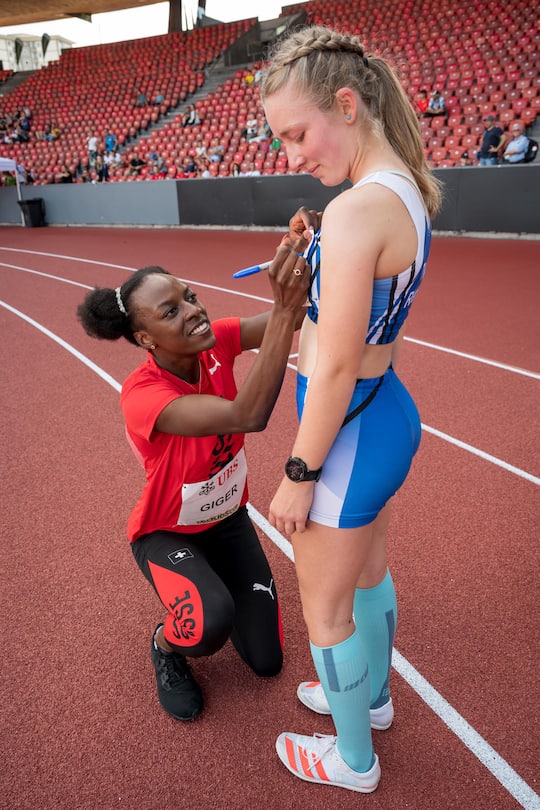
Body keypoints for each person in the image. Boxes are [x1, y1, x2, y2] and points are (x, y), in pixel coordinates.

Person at [261, 25, 442, 793]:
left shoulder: (356, 211)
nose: (292, 156)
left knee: (323, 609)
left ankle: (353, 762)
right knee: (369, 574)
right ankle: (370, 700)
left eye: (297, 134)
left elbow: (331, 364)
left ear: (346, 103)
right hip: (385, 416)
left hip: (347, 427)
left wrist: (301, 469)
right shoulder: (401, 186)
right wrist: (321, 261)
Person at [76, 246, 311, 723]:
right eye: (172, 310)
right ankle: (165, 647)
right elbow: (247, 415)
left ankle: (214, 586)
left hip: (228, 521)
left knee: (266, 663)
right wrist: (286, 308)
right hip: (167, 532)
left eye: (190, 297)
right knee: (208, 626)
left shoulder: (218, 341)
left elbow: (297, 316)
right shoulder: (143, 396)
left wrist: (313, 257)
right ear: (144, 337)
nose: (194, 311)